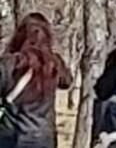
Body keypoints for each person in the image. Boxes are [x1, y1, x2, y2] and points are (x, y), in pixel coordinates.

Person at [0, 12, 73, 148]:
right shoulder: (53, 64)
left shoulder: (9, 63)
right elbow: (66, 82)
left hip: (11, 137)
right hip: (42, 138)